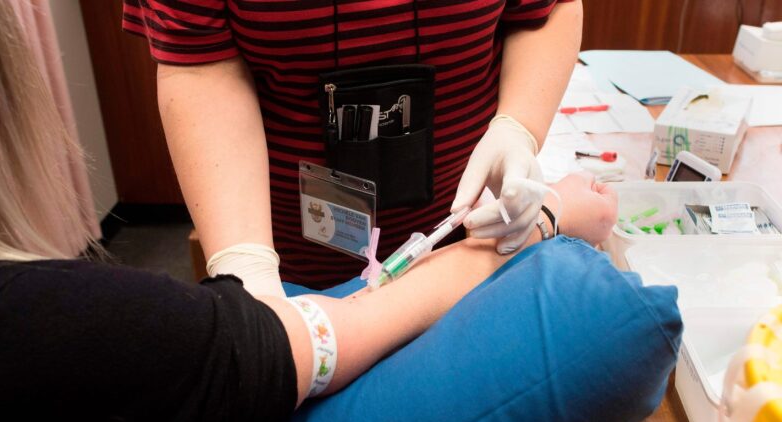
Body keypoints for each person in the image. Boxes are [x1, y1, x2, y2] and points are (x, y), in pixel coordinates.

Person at [0, 2, 682, 422]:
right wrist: (543, 223)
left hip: (366, 282)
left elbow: (272, 346)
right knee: (609, 317)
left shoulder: (8, 330)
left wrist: (516, 126)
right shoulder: (36, 326)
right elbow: (270, 350)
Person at [123, 0, 584, 293]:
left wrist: (519, 126)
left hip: (464, 241)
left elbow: (546, 9)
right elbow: (200, 64)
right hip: (289, 261)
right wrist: (248, 267)